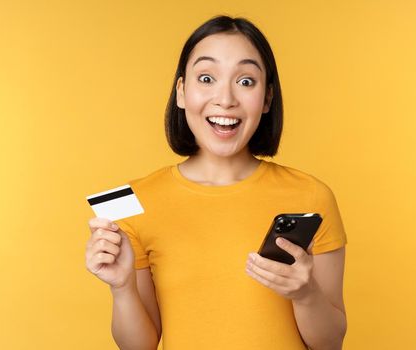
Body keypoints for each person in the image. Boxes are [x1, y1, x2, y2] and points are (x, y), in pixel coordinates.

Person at [85, 15, 347, 350]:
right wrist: (121, 288)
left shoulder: (311, 195)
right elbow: (138, 347)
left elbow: (331, 344)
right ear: (181, 92)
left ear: (267, 99)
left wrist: (305, 293)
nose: (225, 99)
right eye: (206, 78)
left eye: (246, 82)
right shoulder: (134, 200)